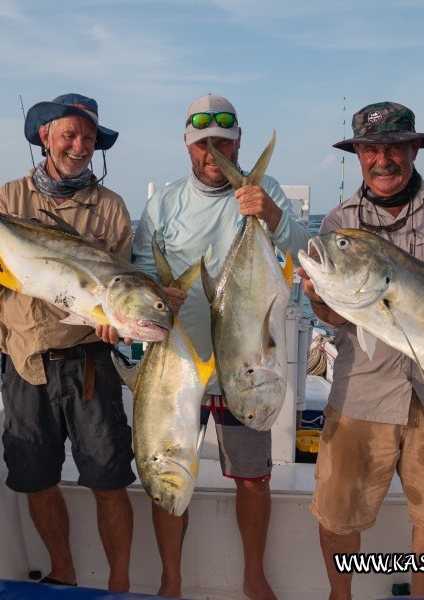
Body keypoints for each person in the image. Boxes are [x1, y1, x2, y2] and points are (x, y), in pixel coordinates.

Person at [297, 101, 424, 598]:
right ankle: (340, 595)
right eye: (371, 149)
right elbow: (335, 317)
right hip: (362, 390)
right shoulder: (338, 223)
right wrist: (318, 299)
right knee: (339, 512)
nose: (382, 159)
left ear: (414, 149)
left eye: (394, 147)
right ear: (359, 155)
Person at [129, 93, 310, 599]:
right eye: (204, 144)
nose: (214, 153)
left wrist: (271, 215)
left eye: (224, 143)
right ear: (187, 146)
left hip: (246, 367)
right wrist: (152, 292)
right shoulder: (163, 204)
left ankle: (254, 578)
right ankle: (171, 582)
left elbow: (306, 253)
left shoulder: (263, 189)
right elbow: (137, 279)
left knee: (252, 477)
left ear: (239, 142)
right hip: (174, 366)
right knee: (165, 473)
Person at [0, 93, 135, 591]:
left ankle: (119, 584)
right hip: (24, 363)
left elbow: (119, 287)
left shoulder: (112, 208)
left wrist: (114, 321)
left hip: (89, 364)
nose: (80, 146)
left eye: (88, 138)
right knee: (36, 479)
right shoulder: (8, 202)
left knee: (109, 478)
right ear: (45, 138)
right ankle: (64, 574)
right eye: (69, 136)